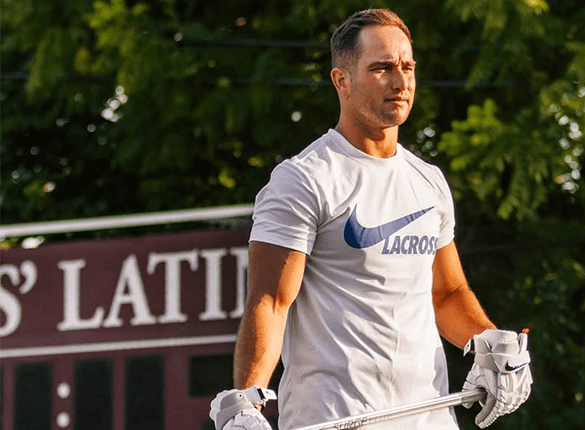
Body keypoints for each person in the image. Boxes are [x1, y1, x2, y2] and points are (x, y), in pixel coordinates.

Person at [210, 9, 532, 430]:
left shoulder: (428, 181)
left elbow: (446, 294)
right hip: (334, 418)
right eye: (382, 68)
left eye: (407, 67)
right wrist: (246, 402)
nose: (400, 82)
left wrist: (489, 343)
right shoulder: (303, 179)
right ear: (341, 80)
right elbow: (270, 301)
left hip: (428, 418)